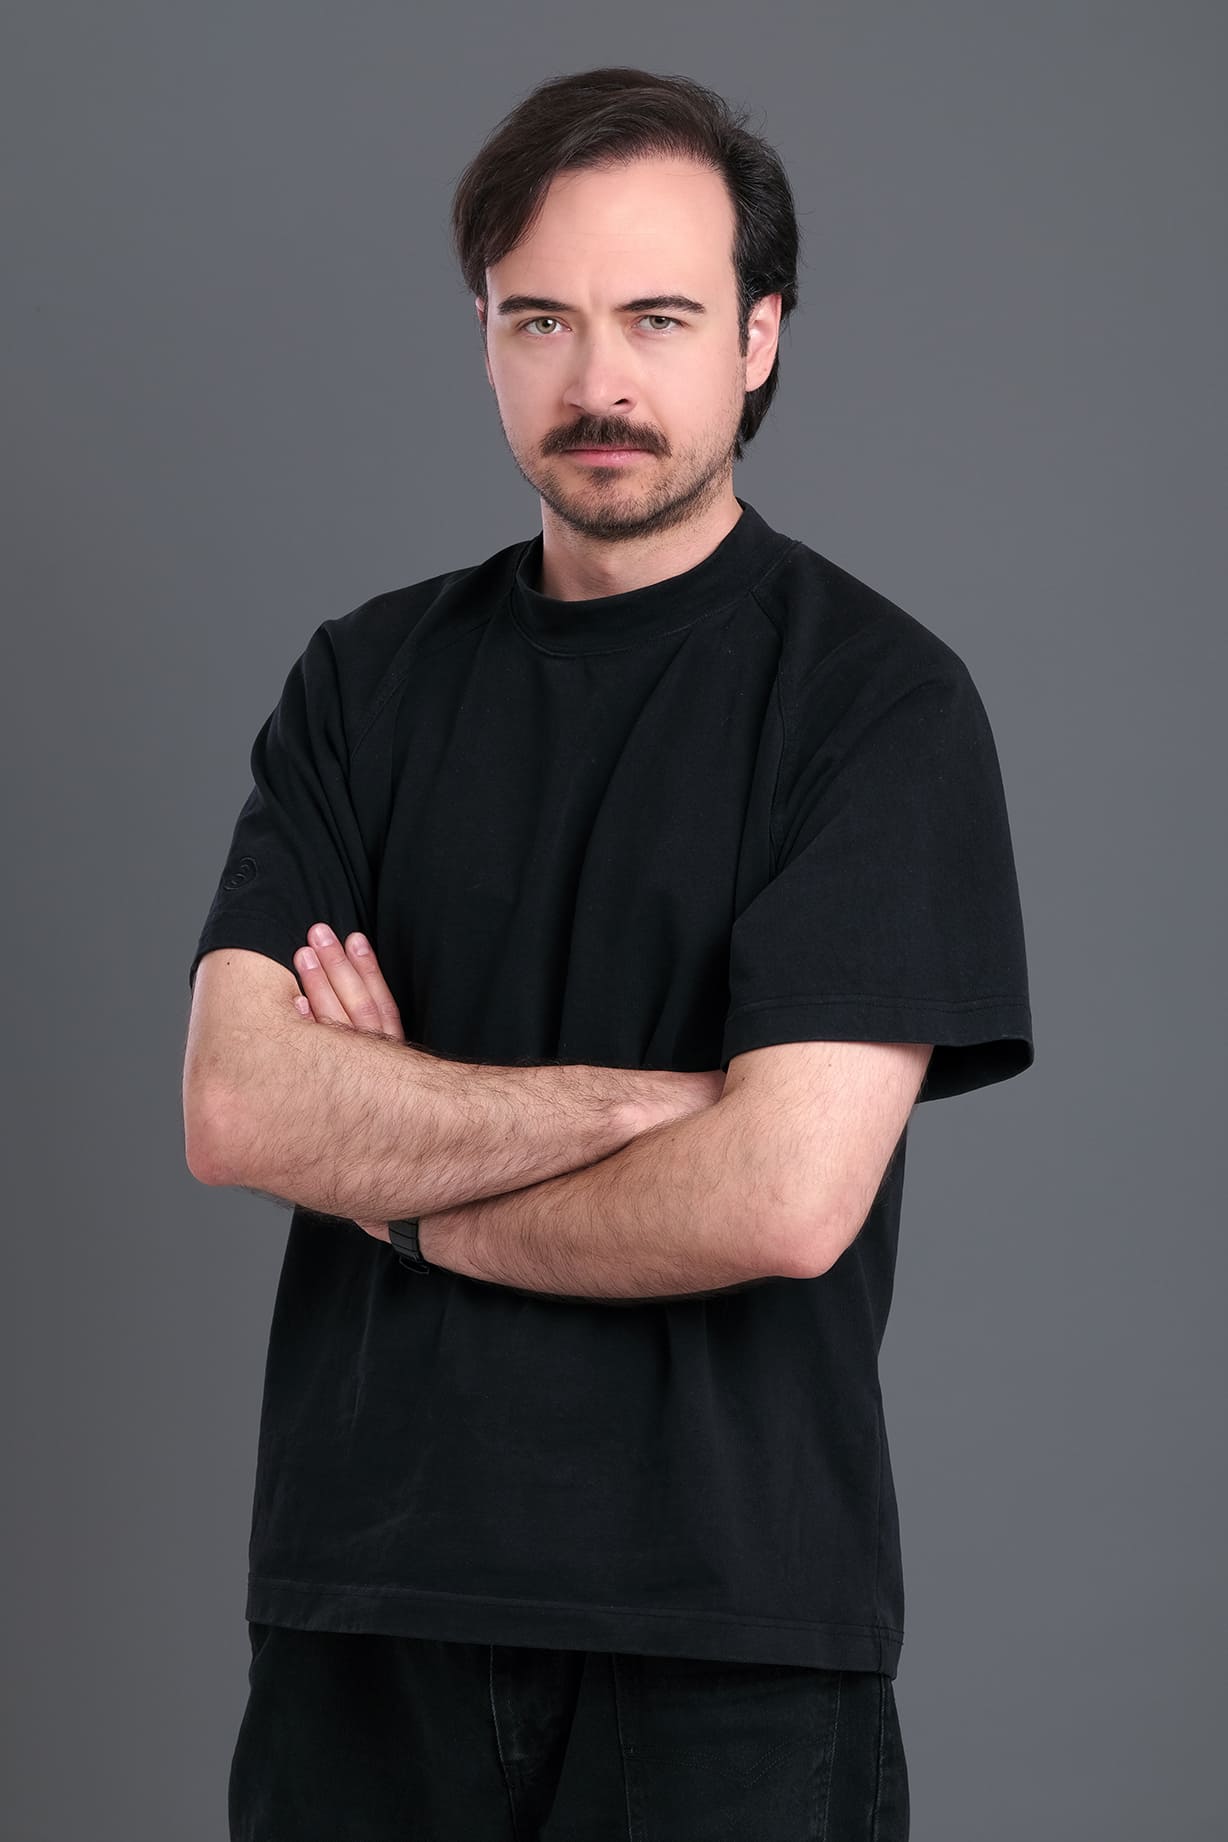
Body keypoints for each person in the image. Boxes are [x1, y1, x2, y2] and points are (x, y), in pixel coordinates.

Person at [183, 64, 1034, 1842]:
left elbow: (781, 1196)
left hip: (727, 1646)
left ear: (759, 336)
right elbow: (241, 1105)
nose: (599, 383)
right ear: (485, 341)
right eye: (542, 320)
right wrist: (645, 1106)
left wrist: (397, 1181)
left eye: (659, 317)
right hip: (363, 1620)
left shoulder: (877, 703)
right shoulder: (363, 682)